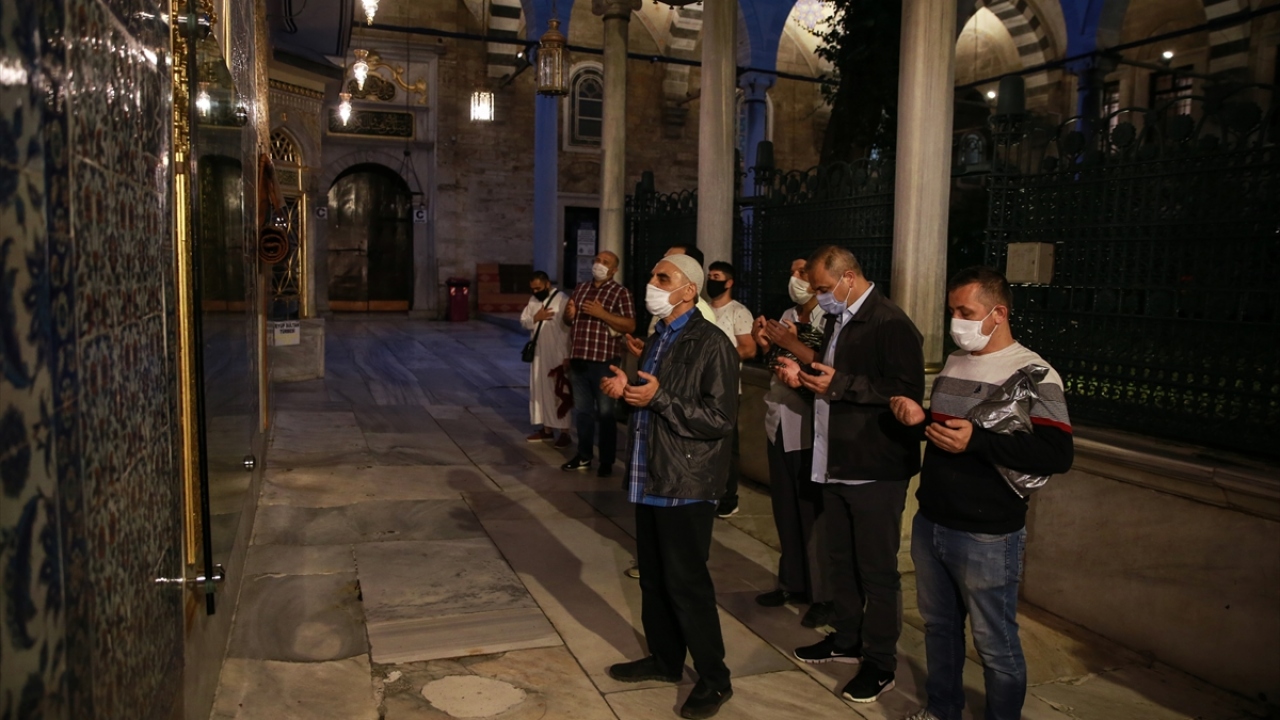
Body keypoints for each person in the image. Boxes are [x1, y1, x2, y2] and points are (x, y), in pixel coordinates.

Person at [889, 267, 1073, 720]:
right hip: (933, 519)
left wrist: (979, 441)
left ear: (999, 313)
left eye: (966, 312)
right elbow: (949, 431)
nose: (957, 321)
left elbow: (1056, 452)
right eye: (952, 310)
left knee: (995, 642)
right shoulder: (955, 361)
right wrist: (919, 418)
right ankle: (942, 709)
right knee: (939, 628)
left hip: (988, 533)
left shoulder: (1034, 372)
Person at [775, 245, 924, 704]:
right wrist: (805, 377)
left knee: (876, 570)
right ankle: (847, 638)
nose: (819, 296)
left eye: (823, 287)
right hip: (835, 460)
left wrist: (836, 384)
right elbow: (835, 378)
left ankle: (880, 663)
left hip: (874, 466)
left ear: (849, 277)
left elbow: (904, 391)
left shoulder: (890, 323)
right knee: (839, 559)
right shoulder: (839, 318)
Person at [602, 253, 739, 720]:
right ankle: (665, 660)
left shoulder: (712, 343)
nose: (653, 284)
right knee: (655, 578)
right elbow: (650, 396)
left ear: (688, 290)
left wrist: (659, 397)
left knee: (687, 584)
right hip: (650, 473)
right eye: (653, 275)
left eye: (664, 278)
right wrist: (628, 391)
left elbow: (719, 419)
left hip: (687, 480)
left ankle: (715, 679)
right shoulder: (659, 336)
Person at [750, 257, 832, 628]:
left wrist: (790, 344)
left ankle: (822, 594)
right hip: (779, 420)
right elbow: (777, 361)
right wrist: (766, 346)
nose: (794, 279)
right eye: (792, 272)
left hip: (809, 426)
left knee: (812, 515)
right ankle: (792, 582)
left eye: (801, 272)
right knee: (784, 509)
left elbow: (825, 368)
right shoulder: (787, 314)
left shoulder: (830, 319)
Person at [562, 251, 636, 478]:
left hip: (604, 362)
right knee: (583, 412)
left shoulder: (620, 293)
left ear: (613, 270)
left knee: (605, 414)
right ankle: (584, 455)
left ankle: (606, 460)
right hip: (579, 360)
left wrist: (602, 313)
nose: (598, 265)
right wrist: (568, 315)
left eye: (605, 262)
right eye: (597, 260)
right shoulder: (581, 288)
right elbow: (568, 320)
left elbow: (630, 325)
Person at [705, 260, 755, 519]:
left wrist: (719, 359)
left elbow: (748, 348)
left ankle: (728, 497)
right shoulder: (702, 309)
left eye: (716, 276)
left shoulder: (738, 312)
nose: (711, 280)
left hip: (726, 388)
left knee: (727, 445)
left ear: (729, 282)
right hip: (701, 387)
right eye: (709, 276)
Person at [521, 272, 573, 448]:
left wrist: (567, 355)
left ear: (547, 284)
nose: (536, 292)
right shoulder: (533, 300)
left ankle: (565, 432)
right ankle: (547, 429)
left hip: (557, 354)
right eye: (533, 289)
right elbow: (524, 321)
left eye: (538, 288)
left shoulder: (562, 299)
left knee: (559, 391)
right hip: (538, 355)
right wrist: (536, 318)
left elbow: (568, 329)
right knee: (540, 390)